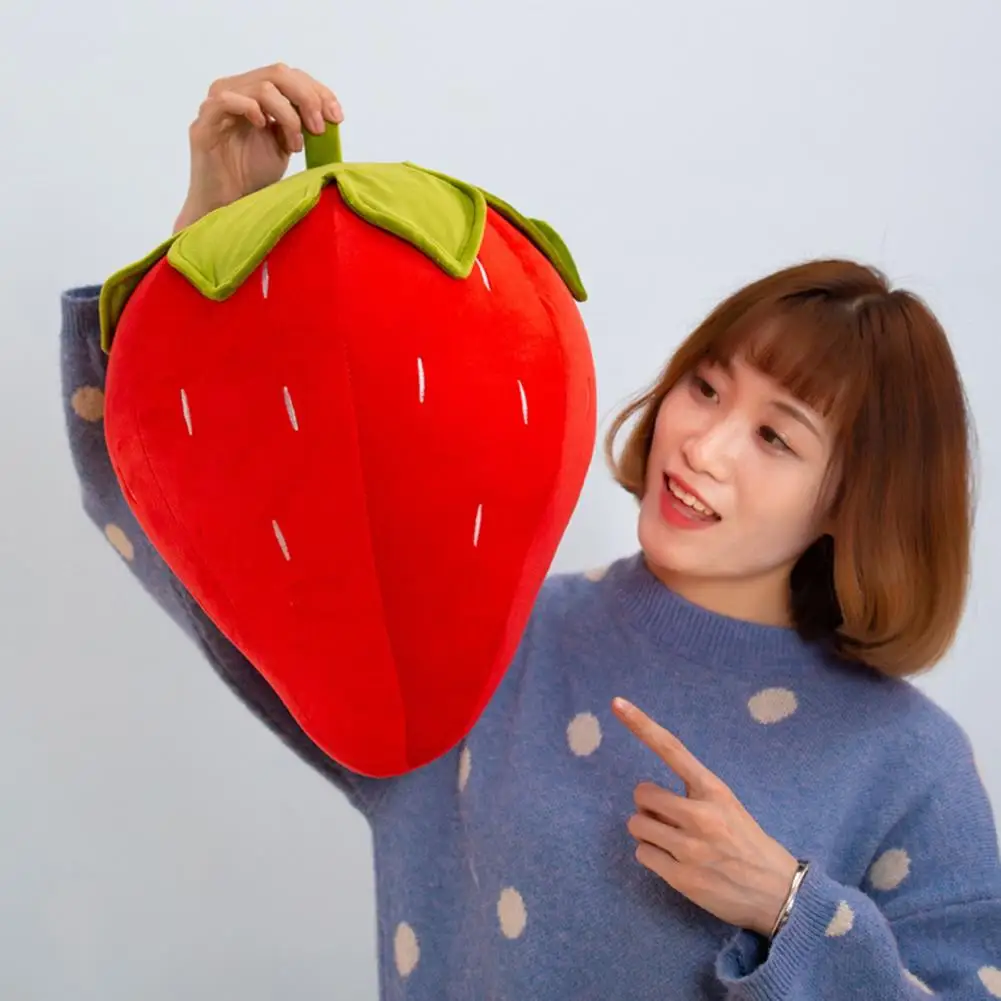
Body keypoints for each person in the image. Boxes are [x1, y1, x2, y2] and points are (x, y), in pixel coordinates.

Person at [60, 64, 1001, 1000]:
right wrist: (210, 244)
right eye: (706, 386)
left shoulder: (906, 761)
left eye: (774, 437)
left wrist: (789, 908)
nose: (702, 445)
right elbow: (189, 523)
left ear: (855, 501)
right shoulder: (488, 642)